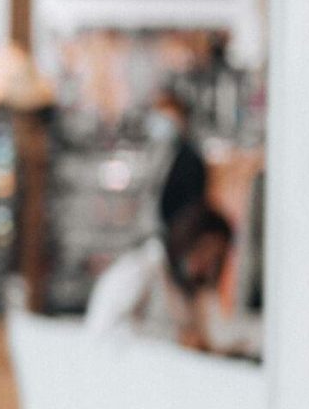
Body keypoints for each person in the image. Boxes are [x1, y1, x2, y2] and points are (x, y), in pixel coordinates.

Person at [86, 201, 235, 351]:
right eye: (204, 249)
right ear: (185, 239)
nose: (206, 262)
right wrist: (177, 339)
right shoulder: (139, 269)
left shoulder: (194, 289)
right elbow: (105, 333)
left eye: (214, 258)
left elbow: (212, 333)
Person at [149, 85, 210, 229]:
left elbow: (192, 203)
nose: (163, 125)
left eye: (169, 120)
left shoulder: (190, 160)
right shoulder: (161, 154)